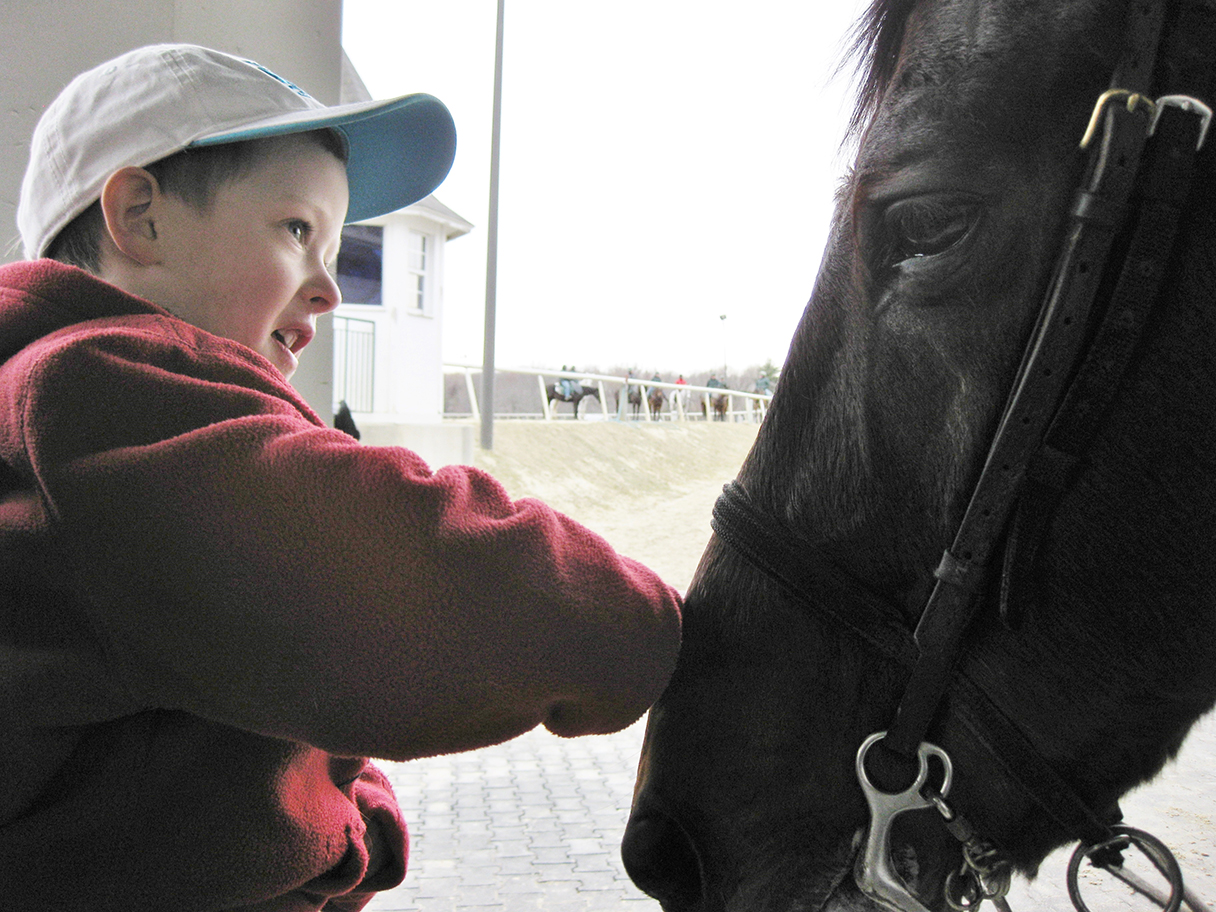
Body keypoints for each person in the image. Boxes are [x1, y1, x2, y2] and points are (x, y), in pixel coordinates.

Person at [0, 45, 681, 912]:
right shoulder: (90, 391)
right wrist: (661, 629)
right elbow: (428, 585)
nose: (329, 289)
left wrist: (355, 821)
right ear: (142, 218)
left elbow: (270, 700)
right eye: (297, 230)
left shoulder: (87, 425)